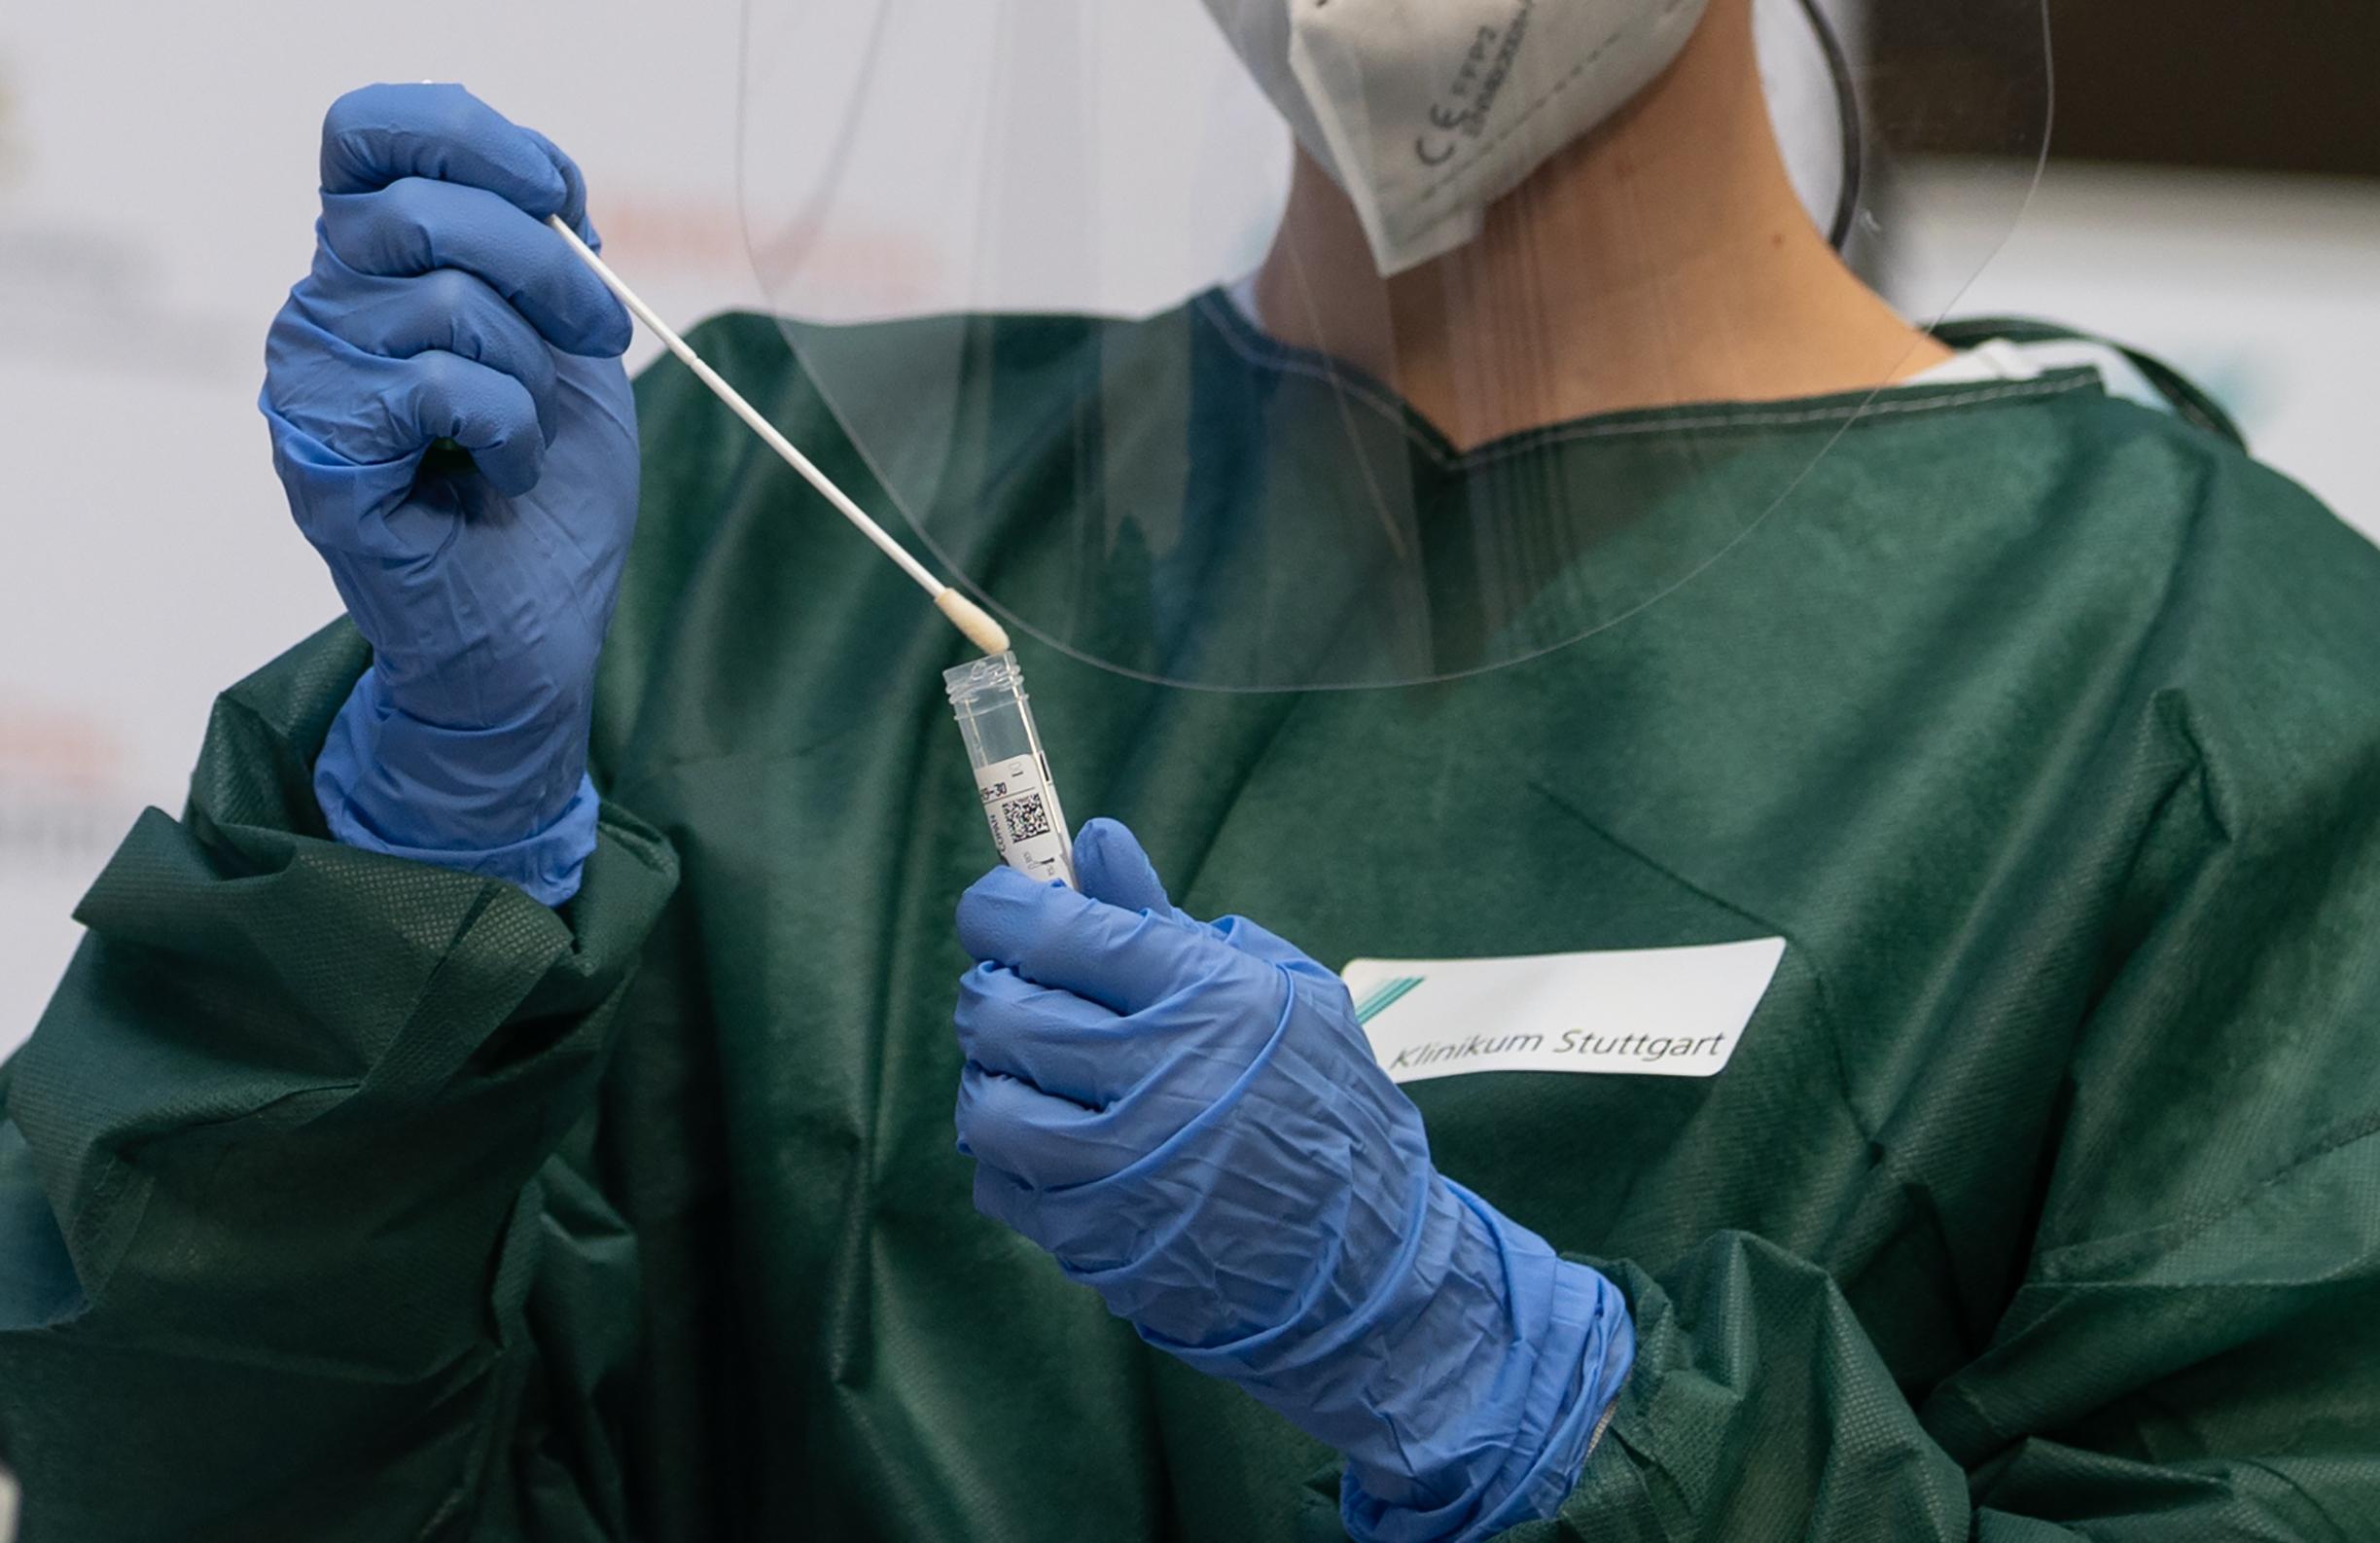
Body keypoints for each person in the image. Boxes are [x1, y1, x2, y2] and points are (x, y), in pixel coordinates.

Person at [5, 0, 2379, 1537]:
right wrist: (415, 866)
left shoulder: (2203, 685)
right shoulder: (754, 545)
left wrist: (1522, 1403)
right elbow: (213, 1478)